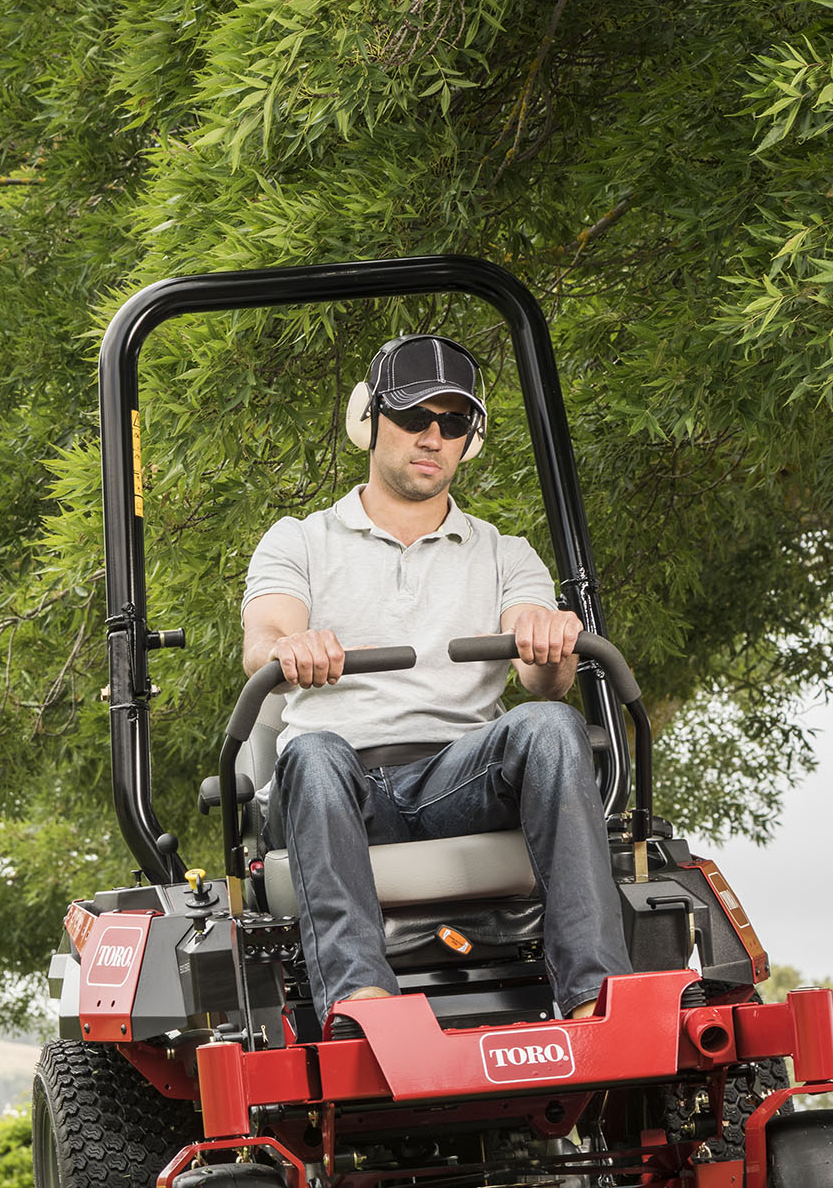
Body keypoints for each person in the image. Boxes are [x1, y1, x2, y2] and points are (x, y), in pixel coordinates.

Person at [239, 334, 631, 1022]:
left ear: (469, 440)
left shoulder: (506, 554)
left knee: (551, 726)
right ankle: (361, 1001)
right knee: (312, 749)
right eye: (416, 416)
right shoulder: (298, 540)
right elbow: (263, 641)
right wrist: (292, 644)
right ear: (370, 419)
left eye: (453, 423)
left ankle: (597, 998)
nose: (433, 436)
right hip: (338, 784)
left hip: (458, 779)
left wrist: (549, 641)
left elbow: (545, 683)